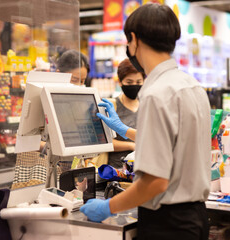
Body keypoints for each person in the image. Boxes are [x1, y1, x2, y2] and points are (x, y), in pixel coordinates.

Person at [80, 4, 211, 240]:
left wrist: (108, 207)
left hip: (168, 223)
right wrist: (124, 130)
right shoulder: (192, 86)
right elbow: (175, 145)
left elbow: (154, 182)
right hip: (197, 217)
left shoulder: (156, 93)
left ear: (133, 39)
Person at [107, 59, 144, 168]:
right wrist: (131, 145)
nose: (134, 85)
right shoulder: (112, 106)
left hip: (143, 169)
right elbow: (105, 142)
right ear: (120, 82)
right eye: (129, 82)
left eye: (138, 82)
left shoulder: (147, 105)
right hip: (117, 171)